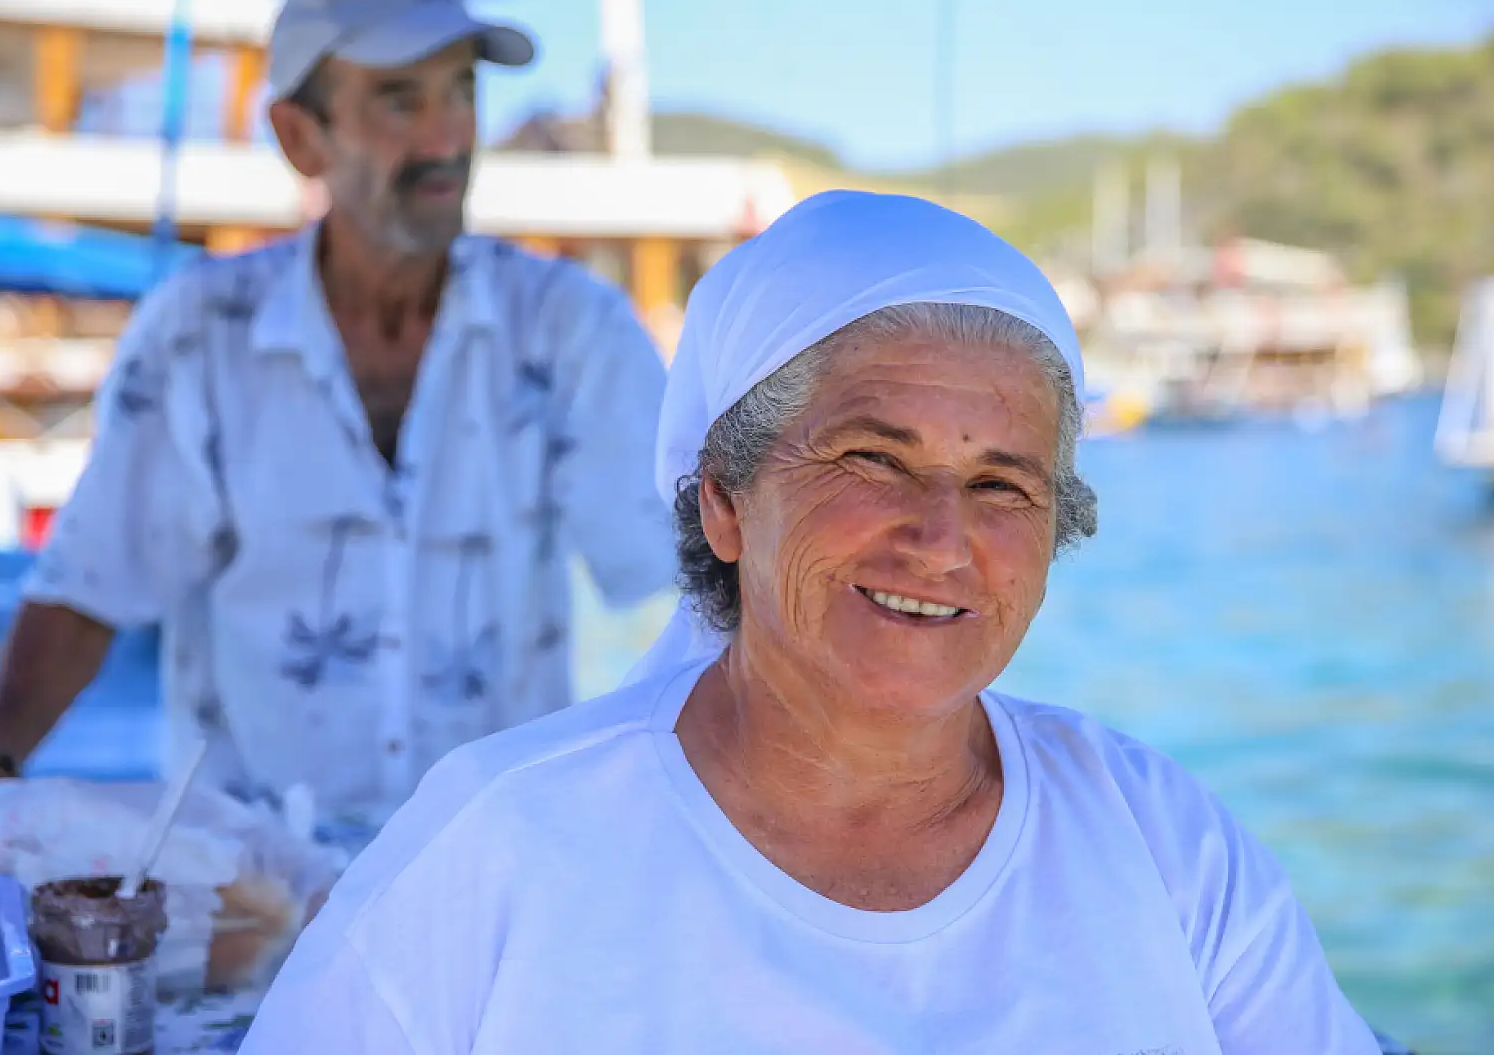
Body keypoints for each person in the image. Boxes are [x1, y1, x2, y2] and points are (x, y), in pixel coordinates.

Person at [235, 189, 1386, 1053]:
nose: (941, 539)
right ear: (723, 500)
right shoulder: (501, 842)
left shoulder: (1158, 840)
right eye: (869, 459)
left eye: (1001, 485)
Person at [0, 0, 675, 836]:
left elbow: (684, 578)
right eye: (400, 99)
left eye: (461, 91)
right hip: (250, 878)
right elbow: (93, 582)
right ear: (300, 136)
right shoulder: (199, 332)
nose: (448, 137)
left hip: (492, 863)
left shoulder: (571, 328)